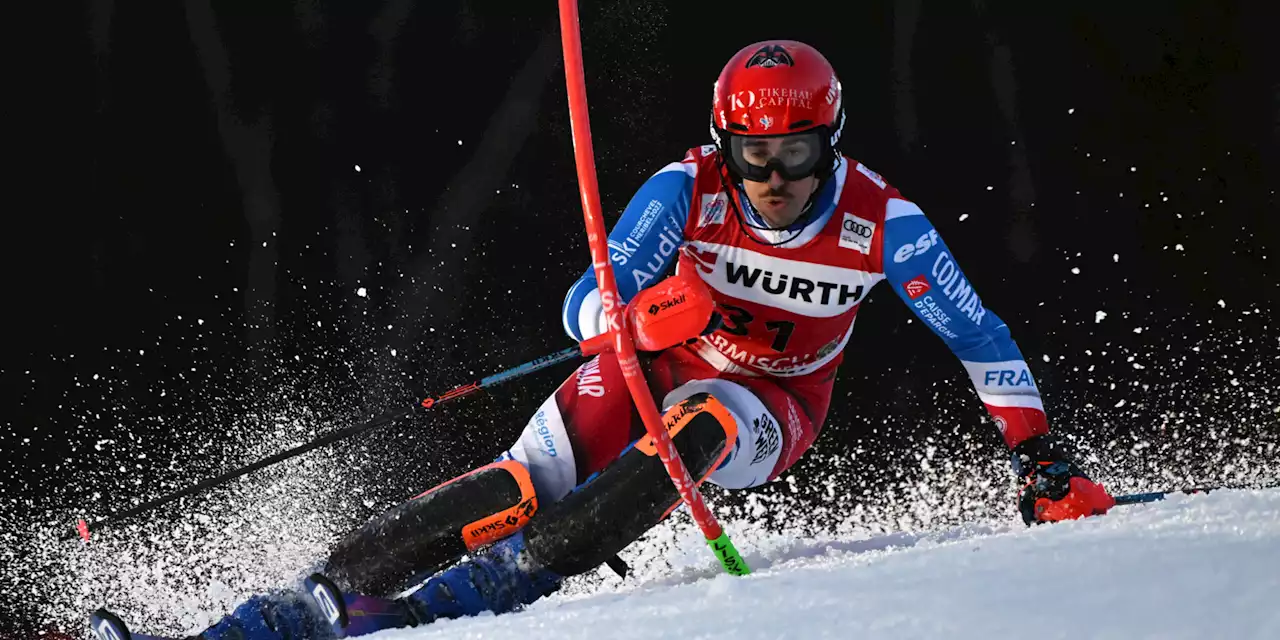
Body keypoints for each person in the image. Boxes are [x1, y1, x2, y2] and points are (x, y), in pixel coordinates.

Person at [90, 39, 1116, 640]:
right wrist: (612, 320)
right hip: (649, 357)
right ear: (724, 144)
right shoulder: (685, 187)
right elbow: (596, 289)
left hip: (773, 404)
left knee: (694, 421)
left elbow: (975, 331)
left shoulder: (882, 223)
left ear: (829, 141)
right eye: (752, 156)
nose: (772, 181)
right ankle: (301, 607)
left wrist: (1036, 455)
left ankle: (456, 606)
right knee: (518, 482)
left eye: (794, 155)